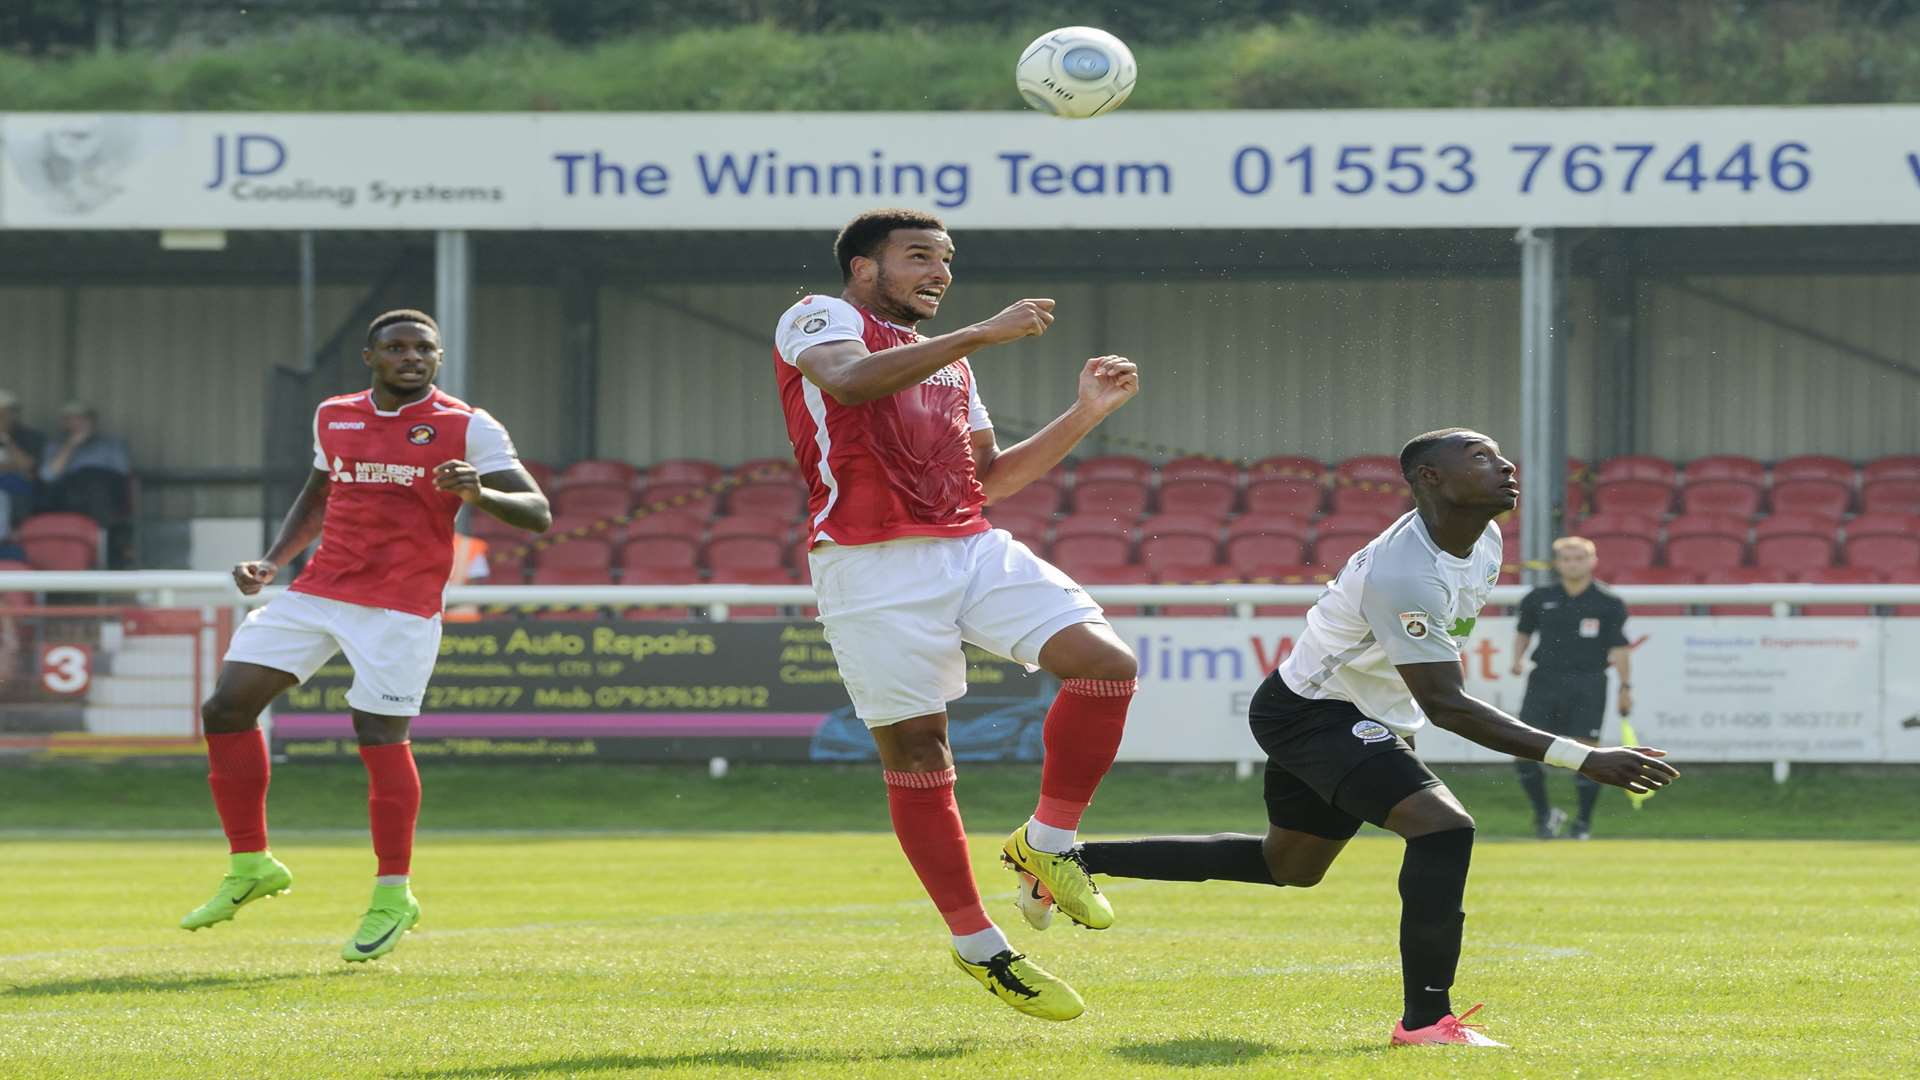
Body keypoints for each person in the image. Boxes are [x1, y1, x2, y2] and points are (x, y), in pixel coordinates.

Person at [1070, 429, 1679, 1048]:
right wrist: (1584, 757)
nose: (1505, 467)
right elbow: (1447, 704)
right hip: (1311, 712)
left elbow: (1427, 684)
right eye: (1481, 459)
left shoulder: (1485, 537)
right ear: (1430, 479)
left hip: (1359, 715)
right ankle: (1424, 1023)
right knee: (1443, 828)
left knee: (1288, 867)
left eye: (1499, 456)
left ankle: (1073, 862)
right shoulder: (1405, 572)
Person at [775, 208, 1141, 1021]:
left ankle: (1043, 845)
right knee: (918, 748)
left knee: (1107, 666)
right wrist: (983, 331)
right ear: (866, 267)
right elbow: (847, 380)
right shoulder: (821, 316)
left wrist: (1086, 413)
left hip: (968, 544)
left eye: (946, 260)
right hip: (868, 563)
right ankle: (981, 947)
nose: (938, 272)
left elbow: (993, 480)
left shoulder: (952, 365)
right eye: (919, 258)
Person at [179, 309, 551, 962]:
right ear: (369, 356)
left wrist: (482, 492)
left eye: (424, 349)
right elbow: (320, 494)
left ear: (438, 358)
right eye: (397, 348)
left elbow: (539, 514)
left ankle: (392, 892)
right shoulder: (334, 415)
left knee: (377, 735)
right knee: (225, 707)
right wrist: (273, 560)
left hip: (400, 607)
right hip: (320, 590)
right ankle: (250, 865)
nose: (412, 357)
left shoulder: (469, 426)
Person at [1508, 536, 1633, 840]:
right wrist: (1517, 660)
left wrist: (1626, 687)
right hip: (1545, 679)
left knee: (1587, 751)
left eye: (1579, 558)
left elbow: (1619, 647)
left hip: (1588, 682)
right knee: (1524, 748)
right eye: (1567, 558)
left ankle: (1583, 823)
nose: (1573, 563)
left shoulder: (1608, 601)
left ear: (1593, 561)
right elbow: (1524, 632)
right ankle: (1543, 815)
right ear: (1557, 563)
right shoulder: (1538, 597)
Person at [39, 402, 133, 566]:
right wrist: (71, 446)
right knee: (86, 481)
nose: (77, 424)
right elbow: (48, 476)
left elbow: (123, 471)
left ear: (92, 422)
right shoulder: (55, 446)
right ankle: (117, 542)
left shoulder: (111, 443)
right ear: (64, 424)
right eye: (71, 419)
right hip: (69, 498)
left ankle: (106, 547)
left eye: (82, 419)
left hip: (106, 493)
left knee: (94, 481)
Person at [0, 389, 46, 529]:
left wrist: (6, 439)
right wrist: (13, 466)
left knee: (17, 484)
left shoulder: (30, 436)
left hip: (19, 486)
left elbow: (28, 467)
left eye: (4, 413)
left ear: (14, 414)